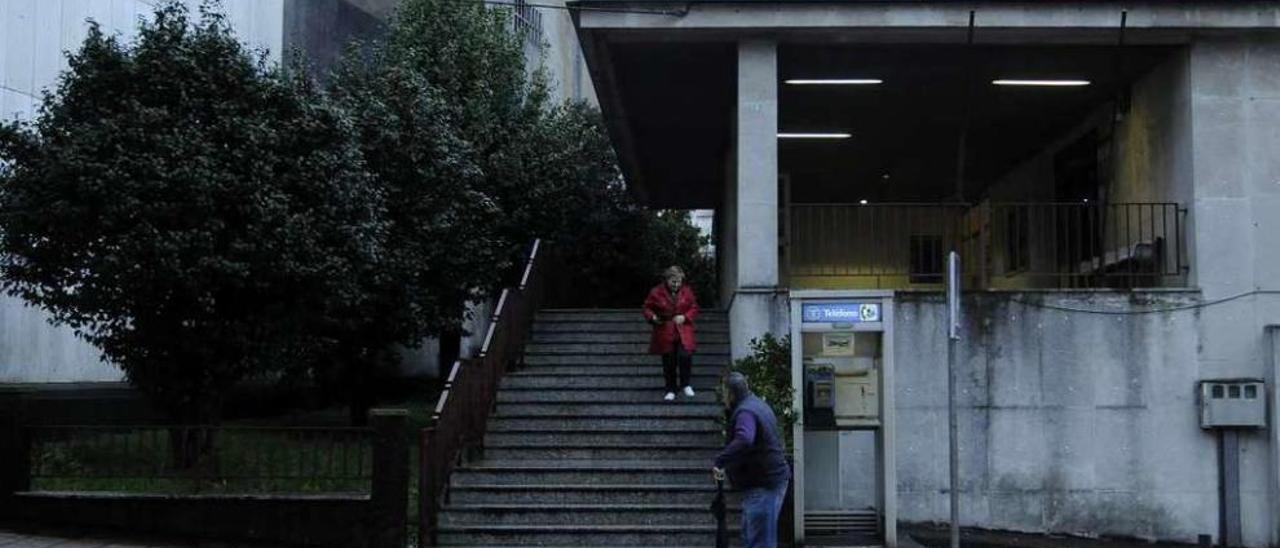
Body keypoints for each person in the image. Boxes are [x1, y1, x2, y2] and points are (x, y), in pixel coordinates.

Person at [713, 372, 791, 548]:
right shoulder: (757, 404)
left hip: (763, 483)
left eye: (723, 392)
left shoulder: (745, 412)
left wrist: (721, 461)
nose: (722, 396)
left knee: (758, 540)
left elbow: (744, 438)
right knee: (755, 535)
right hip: (770, 479)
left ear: (730, 393)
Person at [642, 265, 700, 401]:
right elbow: (646, 307)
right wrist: (653, 317)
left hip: (683, 329)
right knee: (669, 360)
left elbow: (694, 306)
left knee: (685, 355)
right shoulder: (656, 292)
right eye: (673, 281)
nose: (676, 284)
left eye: (679, 281)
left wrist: (685, 317)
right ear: (667, 280)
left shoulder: (687, 291)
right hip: (665, 329)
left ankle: (686, 384)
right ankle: (670, 389)